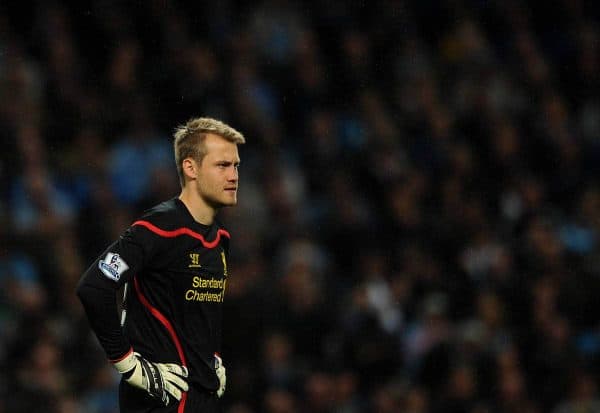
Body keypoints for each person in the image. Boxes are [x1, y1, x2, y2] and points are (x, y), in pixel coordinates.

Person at [77, 117, 245, 412]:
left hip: (201, 396)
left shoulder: (221, 237)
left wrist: (212, 357)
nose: (233, 176)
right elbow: (94, 287)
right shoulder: (159, 227)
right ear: (190, 168)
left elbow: (199, 311)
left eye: (236, 166)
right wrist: (127, 363)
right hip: (160, 400)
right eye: (222, 165)